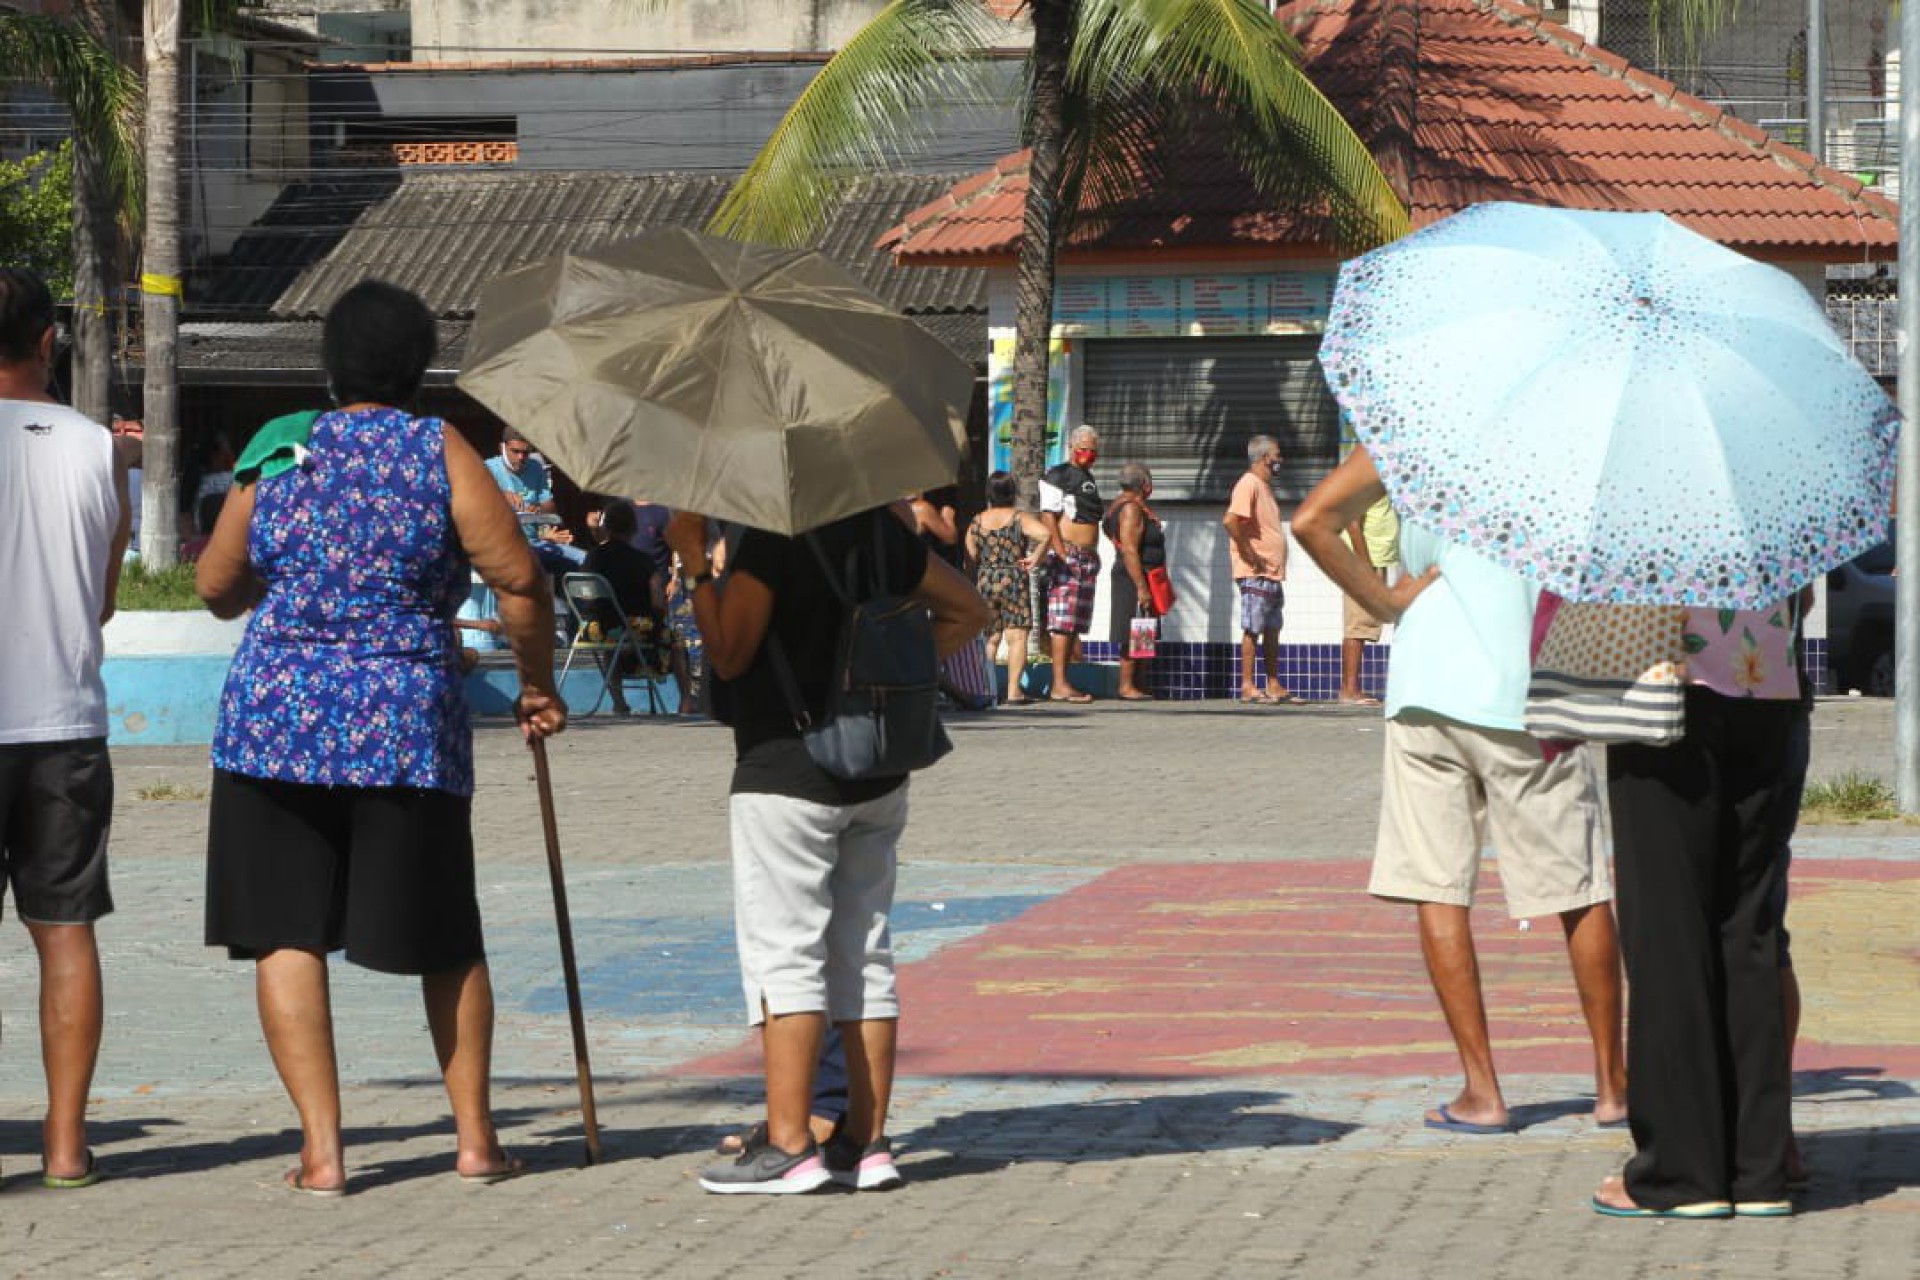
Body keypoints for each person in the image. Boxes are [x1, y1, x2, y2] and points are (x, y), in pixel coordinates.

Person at [196, 280, 568, 1196]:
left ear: (328, 370)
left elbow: (216, 585)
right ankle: (476, 1141)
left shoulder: (278, 449)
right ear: (417, 371)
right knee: (444, 933)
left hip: (273, 724)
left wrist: (273, 591)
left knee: (285, 932)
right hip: (403, 723)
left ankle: (323, 1153)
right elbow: (519, 580)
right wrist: (535, 688)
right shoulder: (440, 449)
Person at [1294, 447, 1627, 1138]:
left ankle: (1482, 1091)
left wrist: (1386, 601)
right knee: (1578, 887)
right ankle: (1612, 1085)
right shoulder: (1565, 434)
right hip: (1530, 683)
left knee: (1438, 887)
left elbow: (1312, 521)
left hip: (1425, 682)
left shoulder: (1412, 428)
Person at [667, 502, 987, 1193]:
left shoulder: (771, 537)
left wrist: (694, 558)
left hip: (787, 766)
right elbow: (969, 612)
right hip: (878, 770)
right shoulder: (883, 531)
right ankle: (865, 1143)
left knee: (785, 953)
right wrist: (875, 672)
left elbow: (728, 651)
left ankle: (787, 1145)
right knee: (864, 953)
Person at [1592, 593, 1812, 1219]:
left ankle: (1682, 1173)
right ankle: (1758, 1169)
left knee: (1668, 931)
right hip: (1766, 678)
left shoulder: (1647, 495)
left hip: (1665, 682)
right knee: (1750, 927)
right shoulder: (1783, 491)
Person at [0, 266, 130, 1190]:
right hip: (64, 722)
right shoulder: (97, 449)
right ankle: (65, 1145)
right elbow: (107, 601)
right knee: (66, 931)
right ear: (51, 341)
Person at [583, 499, 691, 715]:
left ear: (607, 527)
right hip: (635, 627)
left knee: (611, 643)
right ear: (633, 529)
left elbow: (586, 596)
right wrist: (660, 617)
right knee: (676, 640)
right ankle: (686, 700)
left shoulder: (593, 557)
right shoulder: (642, 561)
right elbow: (657, 601)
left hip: (596, 629)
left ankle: (619, 701)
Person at [964, 471, 1049, 705]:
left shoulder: (976, 521)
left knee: (990, 637)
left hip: (986, 579)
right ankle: (1014, 692)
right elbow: (1045, 534)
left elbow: (970, 557)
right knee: (1017, 636)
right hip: (1013, 577)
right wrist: (1035, 559)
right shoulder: (1019, 518)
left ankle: (987, 689)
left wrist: (975, 581)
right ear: (1012, 492)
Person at [1224, 435, 1295, 704]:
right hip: (1256, 571)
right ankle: (1247, 685)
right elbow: (1231, 521)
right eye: (1277, 454)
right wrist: (1250, 553)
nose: (1280, 460)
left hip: (1272, 572)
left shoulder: (1264, 487)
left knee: (1272, 627)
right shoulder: (1249, 484)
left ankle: (1273, 683)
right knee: (1253, 627)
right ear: (1265, 457)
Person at [1035, 425, 1104, 704]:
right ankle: (1059, 684)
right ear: (1072, 447)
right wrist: (1062, 552)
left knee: (1075, 622)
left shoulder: (1087, 478)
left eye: (1093, 450)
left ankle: (1065, 681)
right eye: (1084, 448)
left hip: (1086, 558)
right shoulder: (1059, 474)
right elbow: (1048, 516)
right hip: (1070, 556)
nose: (1089, 454)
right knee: (1062, 621)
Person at [1102, 463, 1168, 702]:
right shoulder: (1129, 508)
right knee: (1132, 627)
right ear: (1144, 485)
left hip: (1141, 575)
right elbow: (1129, 549)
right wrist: (1141, 587)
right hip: (1133, 578)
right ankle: (1126, 685)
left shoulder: (1125, 506)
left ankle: (1139, 683)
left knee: (1143, 629)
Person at [486, 426, 585, 576]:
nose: (521, 457)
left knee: (586, 560)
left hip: (536, 544)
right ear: (502, 448)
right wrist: (498, 495)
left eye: (525, 452)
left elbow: (547, 516)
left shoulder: (536, 468)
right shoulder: (487, 469)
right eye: (515, 451)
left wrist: (546, 531)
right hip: (504, 548)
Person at [1339, 494, 1398, 706]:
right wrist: (1365, 565)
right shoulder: (1365, 483)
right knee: (1357, 623)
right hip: (1364, 563)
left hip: (1373, 561)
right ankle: (1350, 690)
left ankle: (1351, 688)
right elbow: (1352, 523)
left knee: (1363, 623)